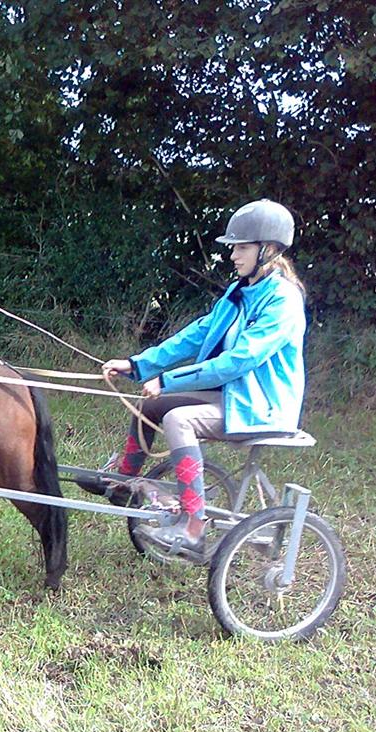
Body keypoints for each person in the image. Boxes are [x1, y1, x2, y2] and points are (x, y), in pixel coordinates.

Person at [84, 199, 307, 555]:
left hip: (263, 405)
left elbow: (239, 360)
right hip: (235, 396)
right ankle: (124, 480)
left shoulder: (283, 300)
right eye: (234, 247)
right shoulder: (241, 293)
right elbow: (196, 335)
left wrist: (169, 381)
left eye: (242, 247)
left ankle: (193, 527)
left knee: (177, 418)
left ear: (269, 249)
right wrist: (138, 363)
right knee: (151, 404)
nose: (233, 255)